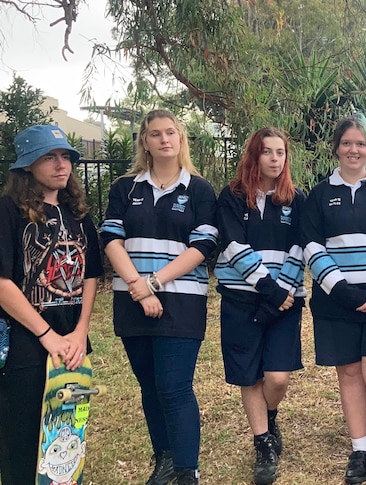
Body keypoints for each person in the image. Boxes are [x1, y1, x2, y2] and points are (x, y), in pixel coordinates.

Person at [101, 109, 218, 485]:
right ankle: (164, 460)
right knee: (149, 386)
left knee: (174, 386)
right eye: (155, 134)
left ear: (181, 139)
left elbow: (202, 246)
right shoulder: (125, 188)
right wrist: (137, 285)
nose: (164, 139)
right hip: (131, 299)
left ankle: (187, 471)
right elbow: (110, 238)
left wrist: (152, 283)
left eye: (171, 133)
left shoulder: (199, 189)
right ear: (145, 142)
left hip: (181, 301)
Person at [301, 114, 366, 485]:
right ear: (336, 148)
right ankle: (359, 449)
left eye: (361, 143)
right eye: (347, 143)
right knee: (349, 374)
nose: (354, 149)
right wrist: (343, 291)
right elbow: (312, 246)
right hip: (337, 302)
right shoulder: (319, 195)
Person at [0, 125, 102, 485]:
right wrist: (47, 335)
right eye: (49, 157)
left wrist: (79, 332)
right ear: (27, 166)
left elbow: (91, 275)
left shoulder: (79, 213)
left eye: (66, 157)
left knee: (65, 444)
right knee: (23, 444)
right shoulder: (8, 211)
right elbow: (2, 283)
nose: (62, 165)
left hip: (72, 347)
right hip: (25, 348)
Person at [214, 127, 306, 485]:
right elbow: (234, 247)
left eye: (280, 152)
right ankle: (262, 443)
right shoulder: (233, 196)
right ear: (254, 155)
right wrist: (269, 289)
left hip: (285, 301)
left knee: (278, 377)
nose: (274, 158)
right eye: (267, 152)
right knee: (249, 375)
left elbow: (301, 247)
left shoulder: (296, 198)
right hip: (241, 298)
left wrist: (280, 293)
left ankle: (270, 416)